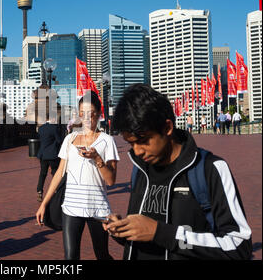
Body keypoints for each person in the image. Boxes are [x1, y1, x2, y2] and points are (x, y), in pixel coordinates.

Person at [103, 84, 252, 260]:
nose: (137, 151)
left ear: (167, 128)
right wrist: (124, 229)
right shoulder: (140, 169)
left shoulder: (210, 169)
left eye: (142, 141)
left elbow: (239, 245)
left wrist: (161, 233)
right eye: (130, 143)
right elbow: (144, 235)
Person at [36, 91, 119, 260]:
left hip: (98, 208)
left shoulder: (107, 140)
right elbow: (59, 173)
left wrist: (97, 158)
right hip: (71, 208)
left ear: (99, 114)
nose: (87, 118)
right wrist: (44, 203)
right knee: (70, 257)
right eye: (83, 113)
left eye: (91, 113)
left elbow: (110, 180)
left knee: (102, 254)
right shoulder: (70, 139)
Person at [36, 116, 63, 202]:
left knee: (42, 173)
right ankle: (56, 189)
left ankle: (40, 191)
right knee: (55, 172)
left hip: (43, 155)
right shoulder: (54, 128)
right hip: (52, 155)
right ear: (52, 119)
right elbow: (59, 140)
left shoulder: (41, 128)